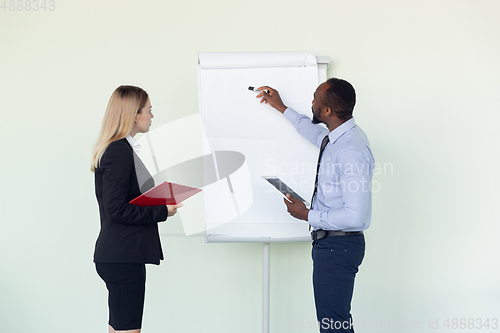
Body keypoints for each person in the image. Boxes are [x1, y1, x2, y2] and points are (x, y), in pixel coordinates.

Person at [256, 78, 374, 333]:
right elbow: (312, 132)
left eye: (315, 101)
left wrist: (308, 214)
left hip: (338, 246)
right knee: (333, 323)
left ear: (328, 111)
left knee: (334, 325)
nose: (311, 104)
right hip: (333, 245)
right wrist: (281, 107)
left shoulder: (350, 150)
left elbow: (356, 215)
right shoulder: (336, 138)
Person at [90, 85, 182, 333]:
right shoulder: (119, 151)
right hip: (122, 256)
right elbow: (116, 209)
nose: (152, 116)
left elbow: (122, 202)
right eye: (149, 111)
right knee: (127, 329)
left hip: (120, 255)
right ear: (133, 115)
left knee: (120, 327)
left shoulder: (119, 149)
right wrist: (163, 211)